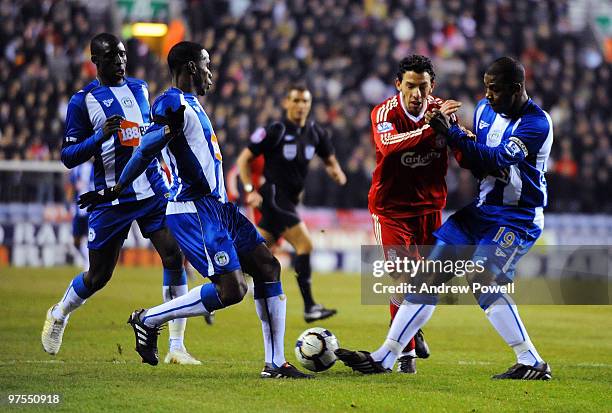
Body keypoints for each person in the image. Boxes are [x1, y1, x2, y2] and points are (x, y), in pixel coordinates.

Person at [78, 41, 312, 379]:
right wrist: (117, 186)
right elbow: (150, 137)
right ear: (190, 67)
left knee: (268, 267)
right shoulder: (172, 102)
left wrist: (118, 186)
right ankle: (148, 320)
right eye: (207, 66)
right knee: (232, 289)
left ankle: (274, 363)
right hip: (192, 208)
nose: (211, 75)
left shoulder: (192, 105)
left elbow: (152, 152)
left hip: (219, 208)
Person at [335, 57, 553, 380]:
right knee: (425, 275)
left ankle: (532, 360)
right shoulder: (483, 111)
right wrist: (452, 136)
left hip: (517, 217)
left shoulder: (537, 123)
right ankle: (385, 356)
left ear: (516, 88)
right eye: (486, 88)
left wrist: (452, 133)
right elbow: (474, 159)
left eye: (494, 90)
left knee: (481, 276)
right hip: (481, 212)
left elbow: (494, 158)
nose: (487, 96)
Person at [41, 33, 200, 366]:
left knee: (174, 255)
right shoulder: (82, 101)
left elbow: (149, 134)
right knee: (99, 276)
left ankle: (176, 346)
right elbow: (68, 156)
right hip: (111, 197)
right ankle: (59, 312)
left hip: (151, 189)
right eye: (112, 56)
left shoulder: (141, 88)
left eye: (123, 55)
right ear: (95, 61)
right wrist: (100, 136)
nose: (120, 61)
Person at [367, 55, 462, 373]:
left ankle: (411, 331)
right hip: (391, 210)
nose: (417, 93)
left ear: (432, 85)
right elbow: (388, 146)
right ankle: (406, 352)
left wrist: (467, 141)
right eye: (410, 85)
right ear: (398, 84)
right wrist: (427, 129)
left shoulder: (443, 111)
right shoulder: (384, 112)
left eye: (423, 86)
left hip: (430, 210)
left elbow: (461, 147)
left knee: (423, 282)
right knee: (403, 278)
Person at [236, 85, 347, 323]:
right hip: (274, 197)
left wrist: (335, 171)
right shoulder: (275, 130)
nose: (301, 105)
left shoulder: (316, 133)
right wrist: (249, 190)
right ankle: (310, 307)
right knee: (305, 245)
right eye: (296, 100)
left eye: (305, 101)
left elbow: (329, 158)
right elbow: (244, 159)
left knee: (255, 253)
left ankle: (219, 285)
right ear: (286, 103)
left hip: (290, 202)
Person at [66, 160, 94, 271]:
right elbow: (71, 187)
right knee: (76, 240)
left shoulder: (94, 168)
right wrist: (68, 204)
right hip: (78, 210)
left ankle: (88, 263)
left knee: (90, 238)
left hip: (91, 209)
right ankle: (85, 259)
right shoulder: (76, 169)